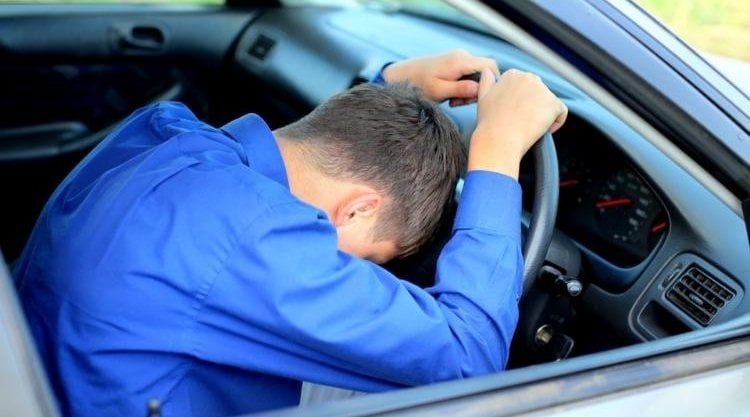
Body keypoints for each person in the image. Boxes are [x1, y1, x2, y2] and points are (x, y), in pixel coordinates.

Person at [13, 50, 567, 417]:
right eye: (372, 260)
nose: (362, 273)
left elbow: (304, 155)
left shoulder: (165, 132)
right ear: (356, 211)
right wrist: (496, 152)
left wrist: (387, 90)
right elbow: (469, 357)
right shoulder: (258, 238)